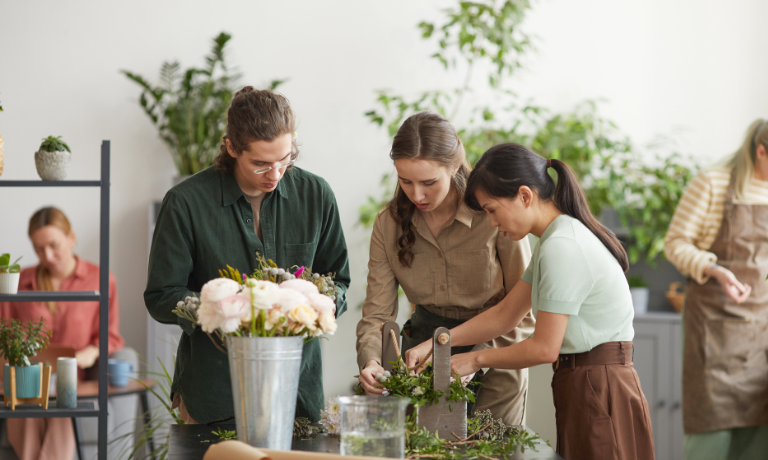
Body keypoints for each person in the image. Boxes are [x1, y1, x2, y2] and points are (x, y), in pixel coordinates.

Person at [406, 143, 655, 460]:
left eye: (492, 210)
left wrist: (475, 360)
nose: (492, 223)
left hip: (599, 384)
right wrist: (436, 343)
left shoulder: (562, 246)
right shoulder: (554, 239)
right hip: (585, 382)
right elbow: (505, 314)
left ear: (525, 195)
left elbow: (543, 348)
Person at [144, 86, 350, 424]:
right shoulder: (185, 203)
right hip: (213, 395)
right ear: (231, 147)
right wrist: (226, 310)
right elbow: (161, 296)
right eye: (260, 164)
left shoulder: (316, 195)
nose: (275, 175)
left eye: (285, 160)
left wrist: (312, 305)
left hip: (298, 392)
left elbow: (339, 280)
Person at [356, 112, 535, 425]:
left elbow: (522, 311)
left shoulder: (493, 215)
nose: (417, 195)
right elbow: (377, 314)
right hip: (421, 359)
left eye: (429, 182)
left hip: (495, 356)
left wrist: (475, 359)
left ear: (454, 166)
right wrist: (371, 360)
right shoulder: (389, 224)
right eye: (405, 181)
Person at [664, 115, 768, 460]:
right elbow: (675, 243)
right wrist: (714, 269)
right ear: (762, 151)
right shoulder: (712, 184)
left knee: (755, 441)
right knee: (709, 439)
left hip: (761, 330)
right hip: (711, 330)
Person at [1, 206, 124, 460]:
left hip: (72, 379)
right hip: (26, 380)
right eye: (38, 248)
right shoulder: (17, 283)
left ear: (71, 237)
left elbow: (111, 335)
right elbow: (4, 335)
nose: (47, 255)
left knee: (62, 402)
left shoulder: (100, 279)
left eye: (54, 245)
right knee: (29, 399)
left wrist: (93, 351)